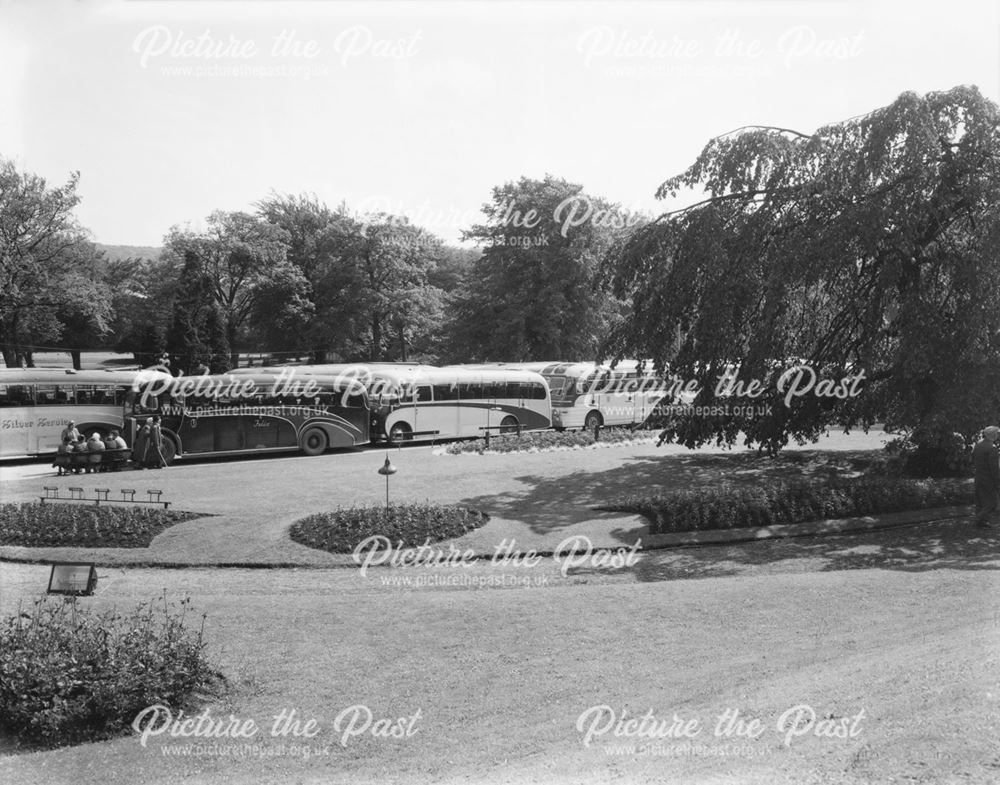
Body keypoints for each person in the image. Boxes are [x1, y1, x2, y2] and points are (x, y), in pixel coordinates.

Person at [972, 426, 1000, 528]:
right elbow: (994, 468)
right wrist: (998, 483)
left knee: (980, 501)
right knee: (992, 502)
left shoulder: (978, 445)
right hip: (988, 479)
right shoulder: (992, 448)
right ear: (992, 435)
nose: (998, 436)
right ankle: (978, 519)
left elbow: (973, 460)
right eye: (997, 434)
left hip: (978, 476)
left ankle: (981, 522)